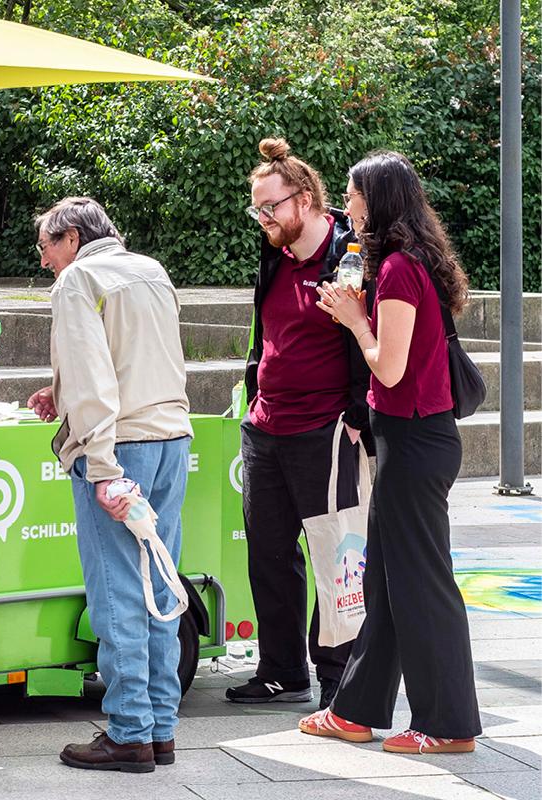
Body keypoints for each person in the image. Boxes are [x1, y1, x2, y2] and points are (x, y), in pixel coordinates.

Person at [301, 150, 481, 753]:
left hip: (414, 439)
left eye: (351, 196)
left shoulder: (402, 268)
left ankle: (447, 724)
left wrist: (355, 321)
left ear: (377, 201)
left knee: (422, 584)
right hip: (407, 438)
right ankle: (354, 710)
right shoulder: (405, 262)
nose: (344, 207)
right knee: (385, 580)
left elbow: (391, 367)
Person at [27, 197, 193, 773]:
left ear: (71, 238)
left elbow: (97, 378)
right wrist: (63, 395)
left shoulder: (78, 279)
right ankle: (160, 729)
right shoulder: (150, 270)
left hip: (120, 446)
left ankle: (128, 733)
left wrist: (100, 464)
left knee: (117, 590)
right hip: (172, 438)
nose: (44, 259)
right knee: (161, 585)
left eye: (46, 245)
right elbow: (136, 361)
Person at [227, 138, 373, 711]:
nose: (263, 219)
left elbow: (365, 334)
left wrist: (358, 413)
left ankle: (337, 677)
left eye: (272, 207)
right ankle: (281, 670)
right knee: (267, 554)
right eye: (257, 209)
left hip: (326, 427)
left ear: (306, 199)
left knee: (336, 554)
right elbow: (265, 329)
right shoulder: (275, 252)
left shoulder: (348, 254)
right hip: (266, 425)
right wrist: (253, 394)